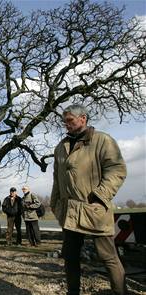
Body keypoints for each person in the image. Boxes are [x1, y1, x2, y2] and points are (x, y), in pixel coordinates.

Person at [50, 104, 127, 295]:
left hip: (94, 209)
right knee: (70, 257)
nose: (66, 125)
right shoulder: (60, 147)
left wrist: (100, 197)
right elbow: (56, 178)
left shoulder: (102, 140)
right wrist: (55, 203)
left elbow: (117, 170)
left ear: (83, 118)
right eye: (64, 121)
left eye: (70, 120)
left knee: (108, 256)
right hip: (69, 212)